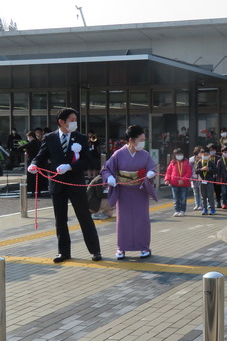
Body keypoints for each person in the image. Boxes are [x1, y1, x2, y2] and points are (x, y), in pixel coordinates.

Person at [28, 108, 102, 263]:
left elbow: (88, 160)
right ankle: (64, 252)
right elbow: (40, 156)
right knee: (60, 219)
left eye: (76, 119)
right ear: (61, 122)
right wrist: (33, 165)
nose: (75, 123)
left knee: (84, 216)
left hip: (75, 182)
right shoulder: (50, 138)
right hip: (57, 183)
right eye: (72, 120)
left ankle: (95, 250)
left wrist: (70, 166)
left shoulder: (80, 138)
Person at [102, 125, 157, 260]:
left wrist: (151, 173)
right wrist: (109, 178)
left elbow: (152, 167)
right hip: (124, 191)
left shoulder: (145, 154)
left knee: (142, 220)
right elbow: (106, 169)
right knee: (123, 221)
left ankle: (144, 247)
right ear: (132, 140)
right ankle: (121, 247)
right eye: (141, 139)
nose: (144, 142)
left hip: (140, 191)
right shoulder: (118, 154)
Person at [164, 148, 192, 217]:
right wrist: (167, 179)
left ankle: (182, 210)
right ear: (175, 155)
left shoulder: (186, 162)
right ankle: (177, 210)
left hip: (184, 184)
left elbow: (189, 172)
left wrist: (183, 180)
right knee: (176, 198)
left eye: (181, 154)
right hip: (174, 183)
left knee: (183, 198)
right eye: (178, 154)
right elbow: (168, 172)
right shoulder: (172, 163)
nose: (180, 156)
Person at [195, 148, 218, 215]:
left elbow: (216, 170)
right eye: (204, 154)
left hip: (209, 181)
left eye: (207, 154)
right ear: (201, 155)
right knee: (203, 196)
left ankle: (212, 209)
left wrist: (209, 169)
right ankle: (204, 209)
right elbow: (196, 171)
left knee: (210, 195)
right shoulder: (199, 162)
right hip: (201, 181)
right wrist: (201, 169)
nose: (205, 156)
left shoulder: (211, 162)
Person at [22, 131, 42, 195]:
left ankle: (33, 191)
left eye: (28, 137)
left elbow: (20, 148)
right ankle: (38, 190)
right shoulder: (39, 142)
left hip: (31, 161)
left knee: (32, 177)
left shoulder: (30, 143)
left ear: (31, 137)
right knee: (38, 177)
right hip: (39, 161)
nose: (28, 138)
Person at [190, 146, 203, 211]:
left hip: (201, 178)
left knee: (201, 192)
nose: (200, 154)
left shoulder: (203, 159)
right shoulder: (191, 160)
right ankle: (196, 204)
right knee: (195, 192)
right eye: (199, 152)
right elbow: (189, 169)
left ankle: (201, 205)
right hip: (193, 178)